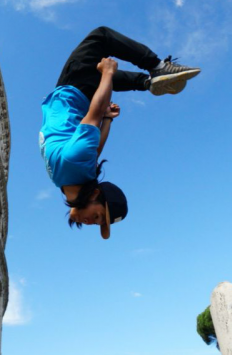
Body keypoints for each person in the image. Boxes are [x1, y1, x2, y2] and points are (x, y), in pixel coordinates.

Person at [39, 26, 201, 239]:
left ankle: (147, 82)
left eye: (97, 222)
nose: (90, 223)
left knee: (103, 78)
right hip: (73, 90)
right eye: (98, 217)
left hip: (81, 95)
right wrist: (107, 75)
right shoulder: (75, 162)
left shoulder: (78, 177)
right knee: (102, 37)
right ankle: (158, 67)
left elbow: (96, 149)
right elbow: (94, 115)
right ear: (96, 194)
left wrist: (108, 120)